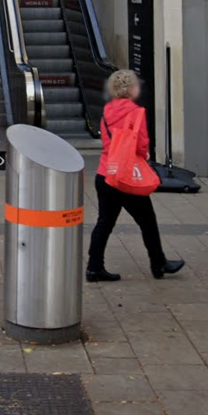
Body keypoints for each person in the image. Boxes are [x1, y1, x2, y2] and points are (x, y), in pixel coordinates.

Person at [87, 70, 185, 282]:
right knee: (147, 221)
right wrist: (145, 154)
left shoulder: (107, 110)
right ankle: (159, 264)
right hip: (126, 176)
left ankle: (94, 268)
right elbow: (141, 146)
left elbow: (106, 142)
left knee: (104, 222)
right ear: (132, 89)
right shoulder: (136, 112)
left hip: (106, 173)